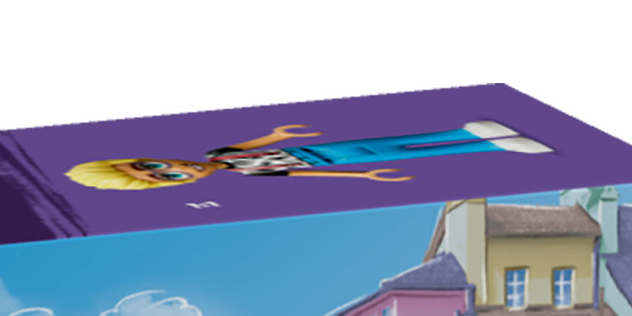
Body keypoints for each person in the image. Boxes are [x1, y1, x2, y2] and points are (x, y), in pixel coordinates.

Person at [66, 118, 551, 192]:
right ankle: (486, 144)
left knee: (396, 142)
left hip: (317, 149)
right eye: (165, 177)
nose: (174, 168)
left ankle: (465, 133)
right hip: (327, 162)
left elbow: (257, 144)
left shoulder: (221, 153)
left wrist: (277, 132)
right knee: (403, 154)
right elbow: (304, 179)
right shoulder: (248, 176)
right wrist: (364, 180)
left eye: (155, 164)